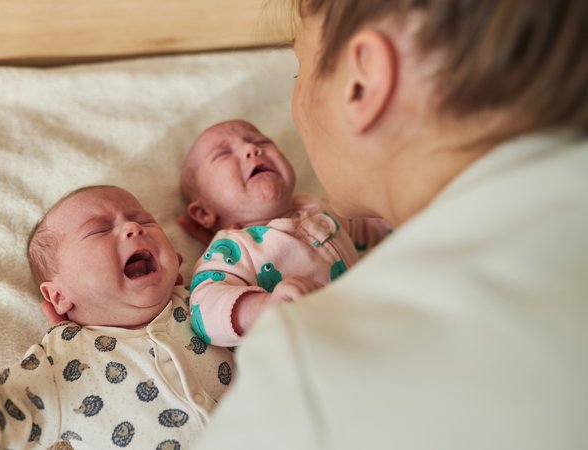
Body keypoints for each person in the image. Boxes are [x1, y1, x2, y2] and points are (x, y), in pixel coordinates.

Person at [193, 0, 588, 449]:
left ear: (362, 84)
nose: (253, 150)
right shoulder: (233, 248)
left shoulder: (313, 373)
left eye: (299, 70)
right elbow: (207, 296)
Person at [0, 185, 236, 450]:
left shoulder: (207, 299)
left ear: (175, 259)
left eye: (143, 219)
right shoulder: (65, 358)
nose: (133, 228)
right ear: (60, 295)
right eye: (99, 230)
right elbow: (11, 404)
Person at [179, 119, 390, 346]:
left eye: (260, 141)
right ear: (203, 212)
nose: (252, 149)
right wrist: (265, 306)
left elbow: (371, 225)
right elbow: (204, 309)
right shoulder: (233, 248)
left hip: (371, 329)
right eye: (223, 154)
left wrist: (405, 211)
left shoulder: (317, 208)